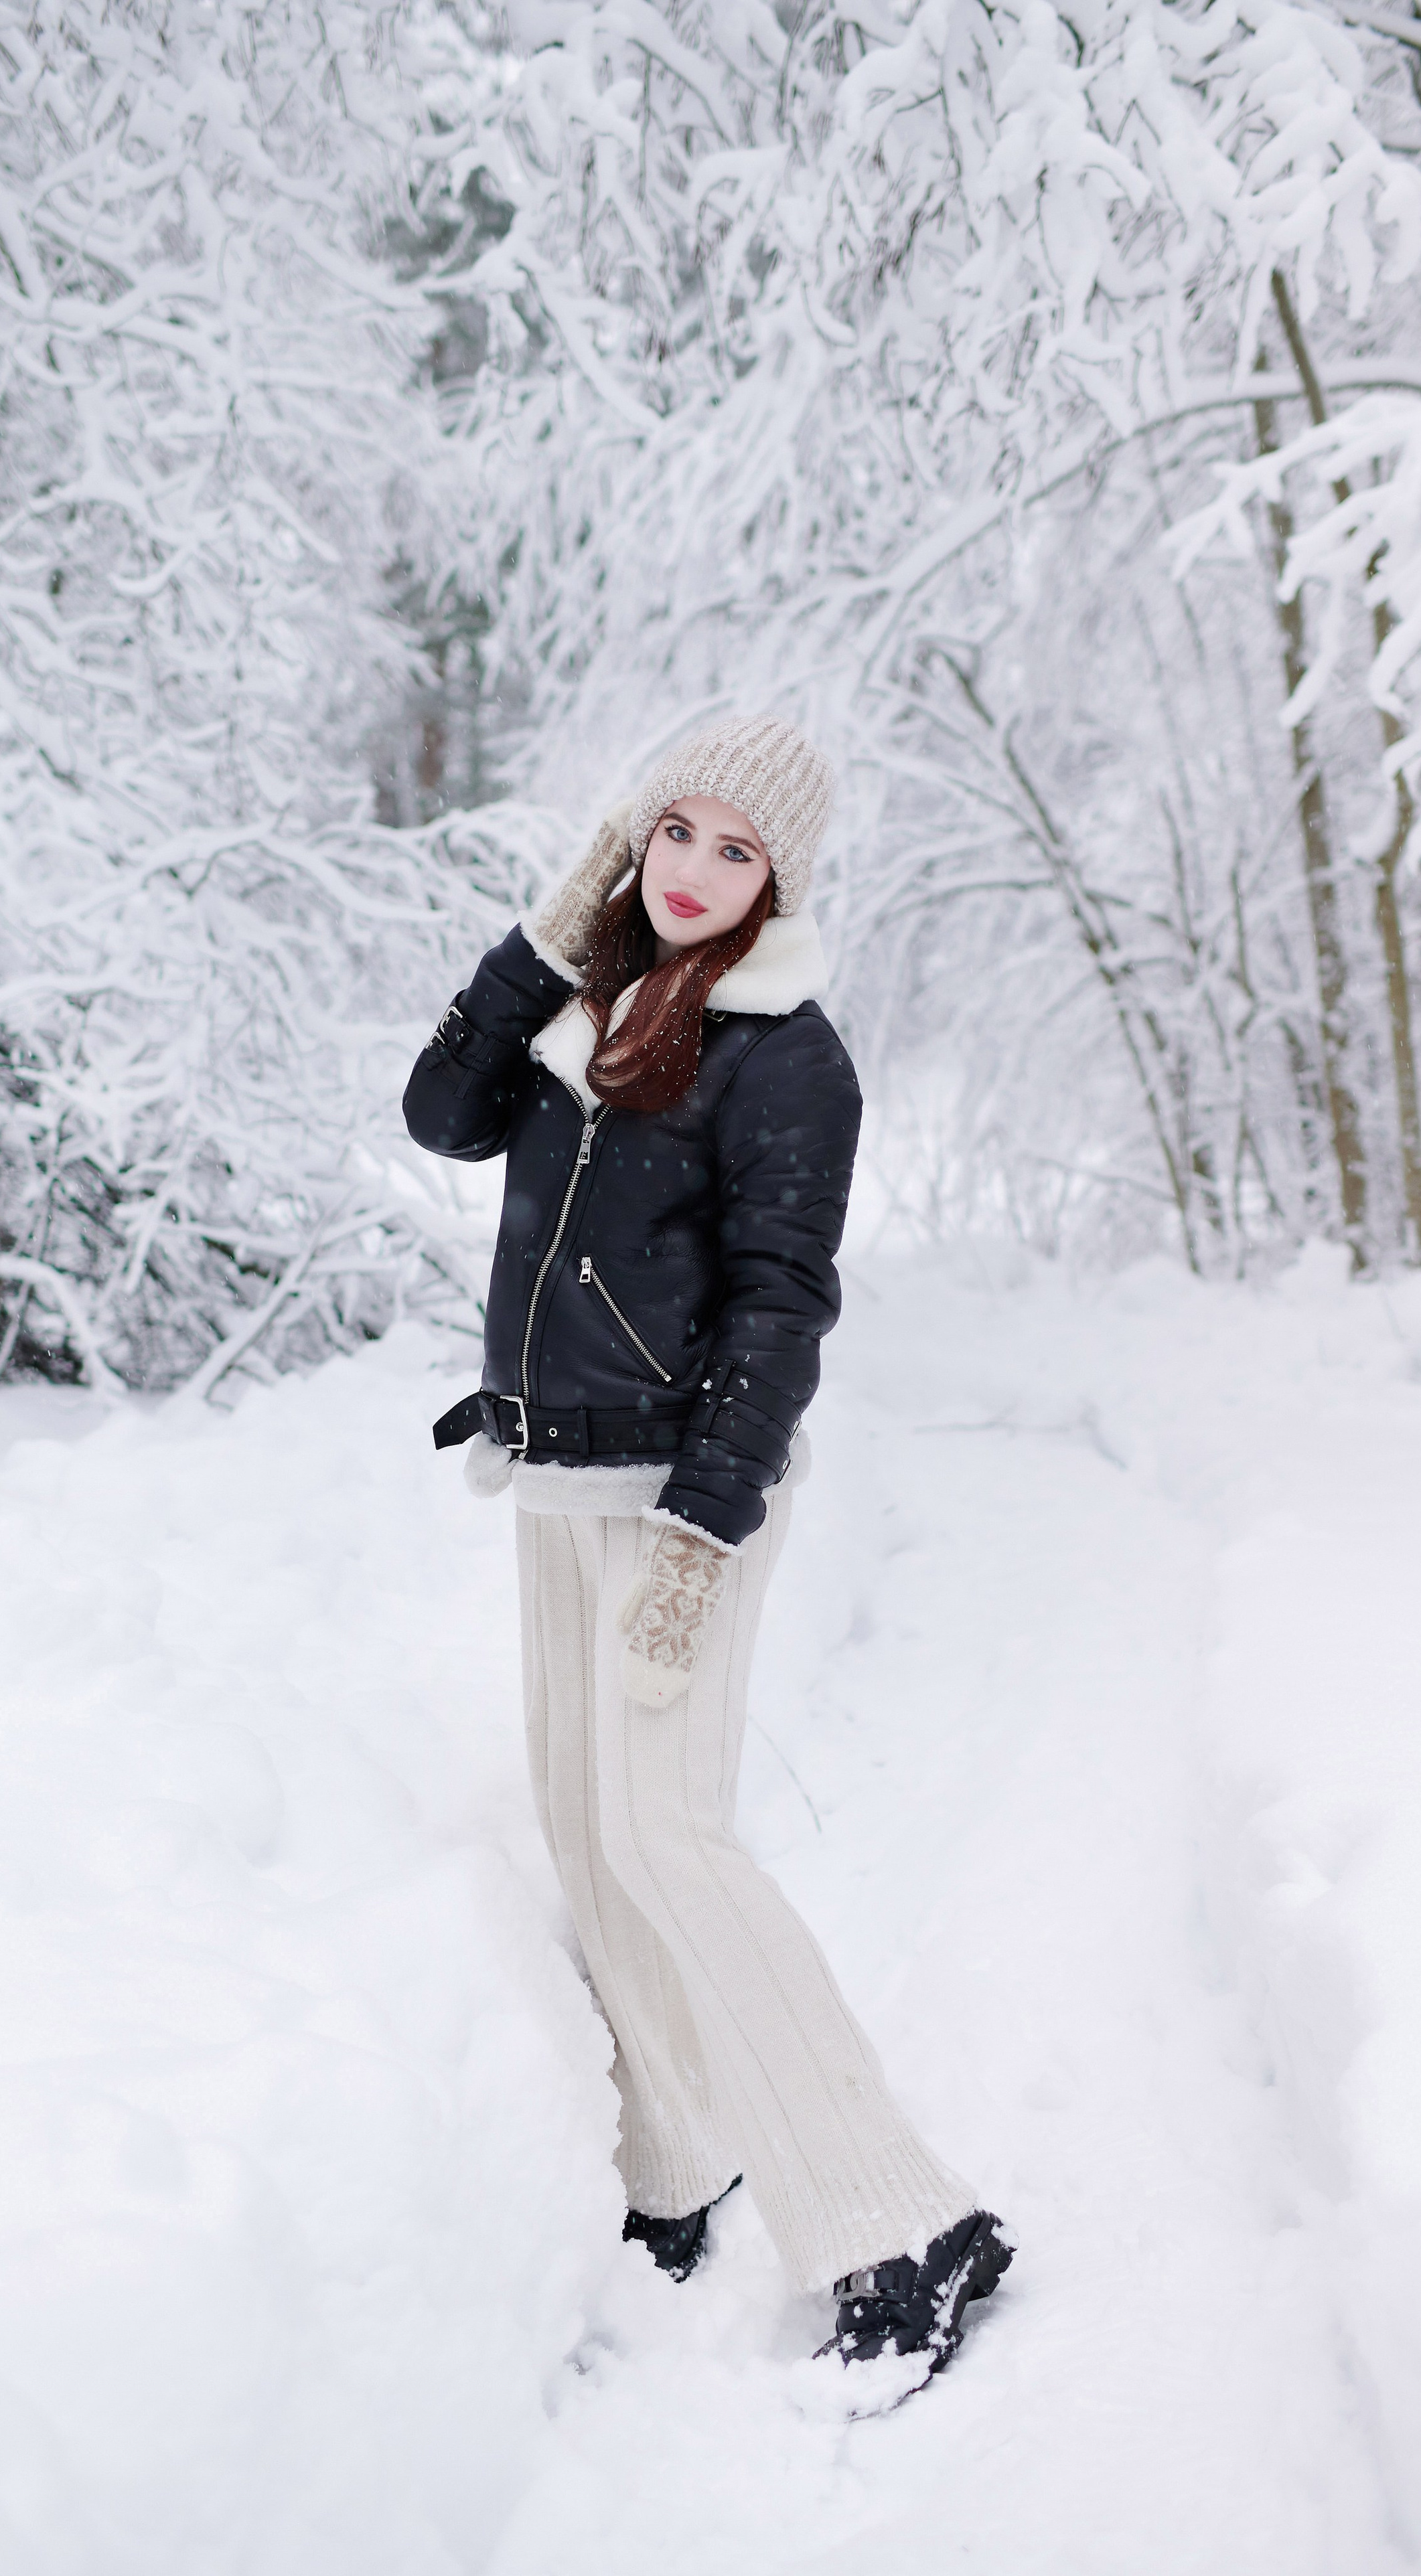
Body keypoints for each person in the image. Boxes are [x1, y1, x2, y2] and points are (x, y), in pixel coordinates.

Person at [403, 714, 1011, 2377]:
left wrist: (703, 1529)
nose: (690, 872)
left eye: (734, 853)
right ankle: (677, 2161)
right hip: (550, 1477)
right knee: (589, 1833)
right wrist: (537, 941)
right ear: (631, 834)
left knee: (670, 1839)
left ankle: (903, 2219)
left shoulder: (787, 1053)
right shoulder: (578, 1006)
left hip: (682, 1496)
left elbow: (781, 1303)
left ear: (775, 884)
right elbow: (438, 1113)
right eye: (674, 830)